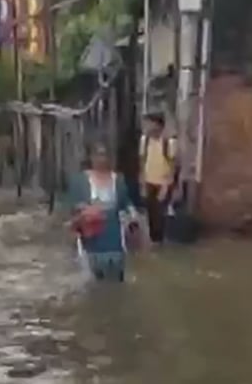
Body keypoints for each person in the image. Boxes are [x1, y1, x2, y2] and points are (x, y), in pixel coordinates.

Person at [69, 143, 136, 282]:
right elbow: (73, 206)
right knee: (93, 282)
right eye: (98, 154)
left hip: (114, 238)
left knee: (117, 280)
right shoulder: (81, 180)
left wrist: (133, 216)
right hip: (91, 238)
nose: (102, 159)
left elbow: (125, 203)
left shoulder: (118, 180)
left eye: (105, 155)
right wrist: (84, 210)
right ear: (91, 157)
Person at [139, 112, 177, 244]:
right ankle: (153, 240)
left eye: (150, 123)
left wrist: (166, 187)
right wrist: (143, 183)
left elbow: (172, 166)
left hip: (163, 183)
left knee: (161, 215)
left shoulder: (169, 142)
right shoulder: (145, 141)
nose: (148, 127)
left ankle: (161, 241)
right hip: (149, 181)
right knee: (150, 213)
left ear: (158, 125)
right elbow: (142, 162)